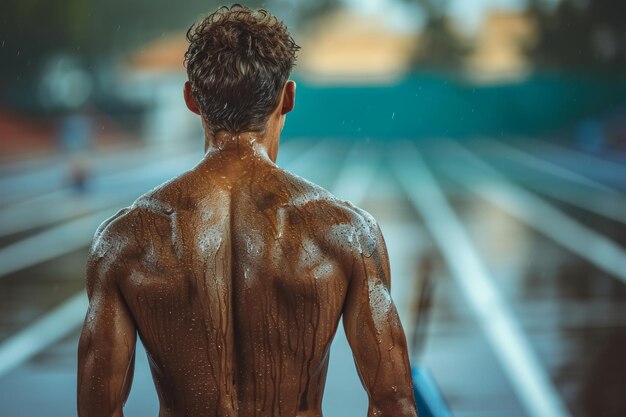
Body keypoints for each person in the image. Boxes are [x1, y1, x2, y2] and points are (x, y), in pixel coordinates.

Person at [77, 5, 418, 417]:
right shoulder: (346, 233)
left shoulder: (123, 240)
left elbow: (97, 409)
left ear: (191, 99)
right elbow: (393, 402)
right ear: (287, 97)